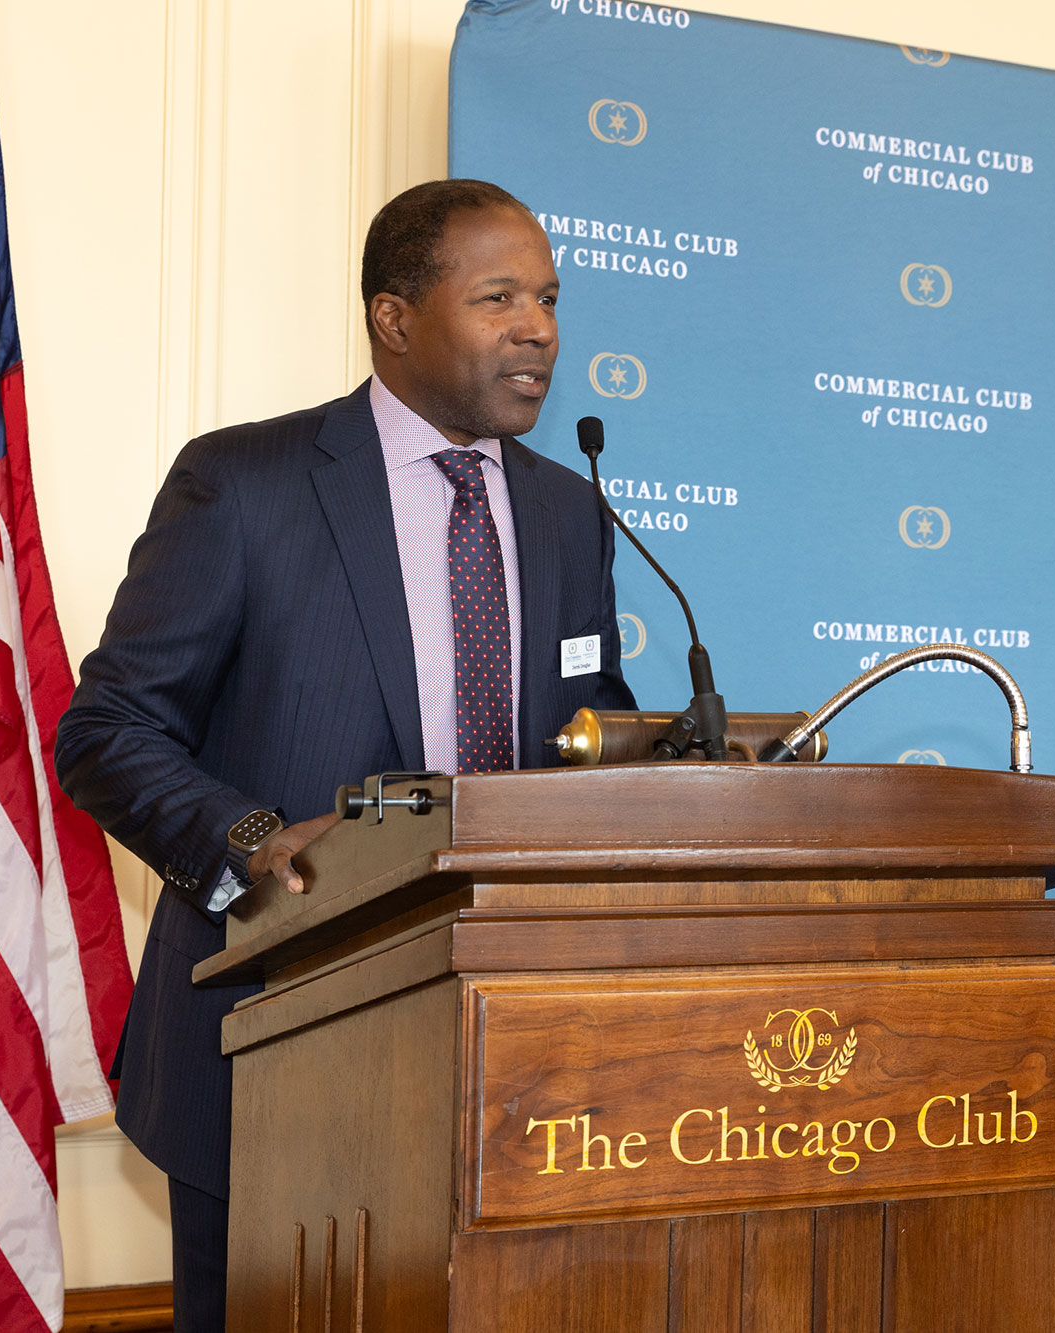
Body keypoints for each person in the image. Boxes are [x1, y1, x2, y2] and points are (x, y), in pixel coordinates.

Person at [55, 178, 637, 1330]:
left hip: (513, 1055)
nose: (539, 330)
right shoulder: (246, 484)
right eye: (499, 297)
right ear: (394, 317)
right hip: (280, 1039)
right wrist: (255, 840)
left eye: (550, 300)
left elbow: (585, 731)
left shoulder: (570, 513)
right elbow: (106, 730)